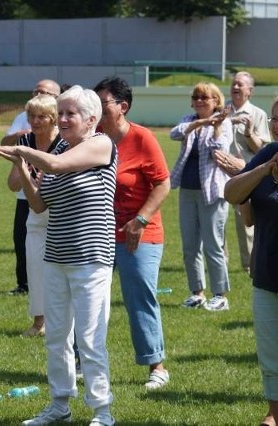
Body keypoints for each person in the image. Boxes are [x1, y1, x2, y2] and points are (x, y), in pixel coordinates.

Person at [0, 85, 116, 426]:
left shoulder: (100, 144)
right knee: (57, 335)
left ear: (91, 119)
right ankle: (60, 403)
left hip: (90, 257)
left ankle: (102, 411)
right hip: (57, 256)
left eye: (69, 113)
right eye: (60, 112)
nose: (62, 119)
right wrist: (23, 165)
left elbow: (58, 166)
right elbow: (39, 203)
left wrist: (23, 149)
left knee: (89, 338)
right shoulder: (60, 150)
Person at [94, 77, 171, 389]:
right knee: (89, 299)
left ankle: (157, 366)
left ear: (122, 107)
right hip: (98, 232)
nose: (96, 110)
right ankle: (84, 361)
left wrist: (140, 219)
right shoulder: (93, 138)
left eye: (102, 104)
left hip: (141, 233)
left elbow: (163, 184)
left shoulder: (142, 138)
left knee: (139, 297)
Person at [224, 90, 278, 426]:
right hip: (265, 277)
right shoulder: (268, 153)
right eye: (275, 116)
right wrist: (263, 169)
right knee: (274, 363)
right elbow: (232, 193)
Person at [170, 82, 232, 311]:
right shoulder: (189, 120)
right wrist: (201, 122)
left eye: (205, 98)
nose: (199, 101)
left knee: (213, 245)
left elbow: (220, 150)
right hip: (187, 190)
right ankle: (197, 292)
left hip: (212, 192)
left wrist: (215, 126)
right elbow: (174, 133)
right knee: (189, 245)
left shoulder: (225, 124)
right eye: (196, 97)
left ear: (216, 101)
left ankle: (220, 295)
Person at [5, 94, 61, 337]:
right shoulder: (25, 140)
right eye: (31, 116)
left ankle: (60, 321)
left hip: (62, 215)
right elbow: (13, 185)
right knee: (35, 267)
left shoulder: (64, 142)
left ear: (53, 119)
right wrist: (21, 163)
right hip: (34, 214)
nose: (35, 121)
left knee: (60, 271)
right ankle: (39, 322)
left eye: (42, 117)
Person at [214, 71, 270, 273]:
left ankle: (248, 265)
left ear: (250, 91)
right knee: (218, 222)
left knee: (245, 222)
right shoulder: (222, 110)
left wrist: (248, 132)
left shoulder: (258, 114)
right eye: (233, 84)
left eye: (240, 85)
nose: (235, 88)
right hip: (218, 175)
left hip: (246, 176)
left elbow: (262, 150)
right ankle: (221, 262)